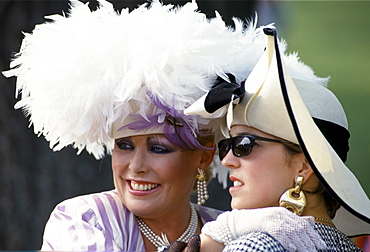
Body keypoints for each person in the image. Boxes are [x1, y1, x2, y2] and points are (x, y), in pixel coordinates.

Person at [181, 27, 370, 251]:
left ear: (304, 166)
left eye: (244, 145)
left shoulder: (255, 246)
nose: (227, 160)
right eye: (226, 146)